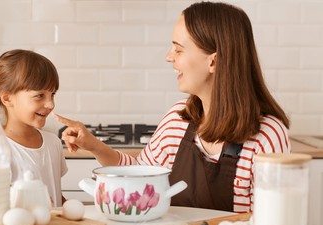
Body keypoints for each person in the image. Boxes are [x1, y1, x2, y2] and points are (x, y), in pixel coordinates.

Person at [53, 1, 290, 213]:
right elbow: (138, 174)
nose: (169, 57)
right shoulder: (177, 119)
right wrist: (92, 145)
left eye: (178, 49)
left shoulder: (266, 137)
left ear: (213, 61)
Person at [0, 49, 68, 207]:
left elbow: (56, 195)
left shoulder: (53, 142)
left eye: (52, 94)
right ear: (7, 98)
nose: (50, 104)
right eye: (39, 95)